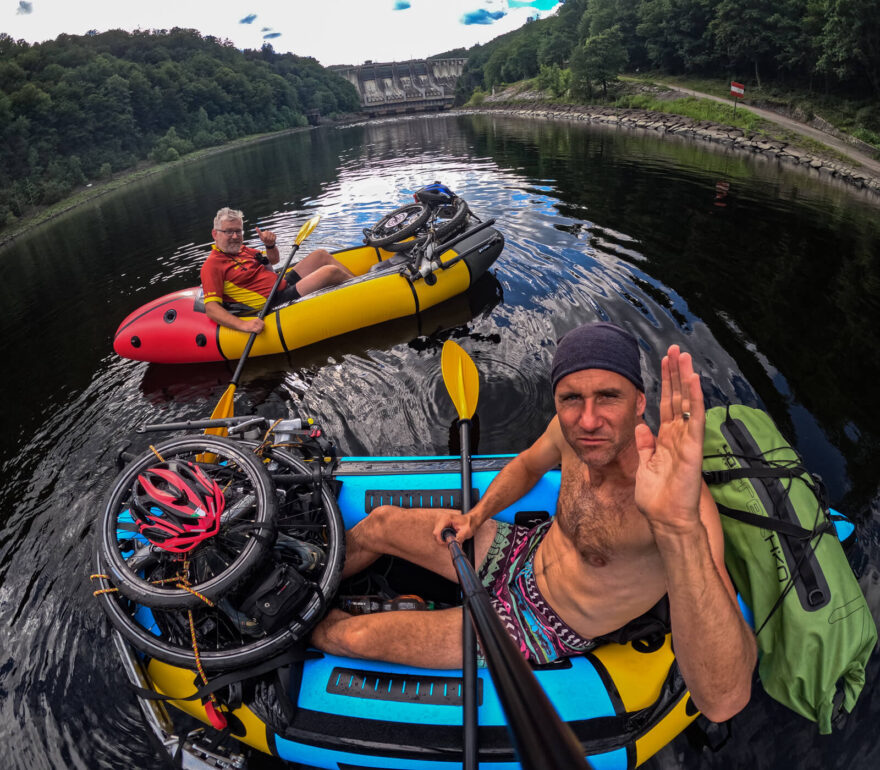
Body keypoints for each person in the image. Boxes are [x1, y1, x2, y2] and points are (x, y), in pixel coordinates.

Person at [310, 322, 757, 722]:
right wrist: (476, 515)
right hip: (521, 551)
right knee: (382, 522)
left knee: (352, 635)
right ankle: (307, 582)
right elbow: (526, 465)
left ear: (640, 402)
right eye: (571, 399)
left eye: (608, 396)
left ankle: (284, 628)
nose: (588, 419)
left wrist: (677, 528)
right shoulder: (569, 432)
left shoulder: (678, 501)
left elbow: (723, 702)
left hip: (542, 624)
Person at [201, 207, 355, 334]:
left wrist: (270, 245)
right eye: (228, 232)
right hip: (276, 301)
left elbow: (273, 260)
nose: (235, 236)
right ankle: (362, 287)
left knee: (320, 255)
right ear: (215, 234)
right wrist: (244, 325)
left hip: (282, 283)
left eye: (239, 231)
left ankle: (361, 280)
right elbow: (212, 308)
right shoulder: (212, 265)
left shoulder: (243, 250)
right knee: (329, 272)